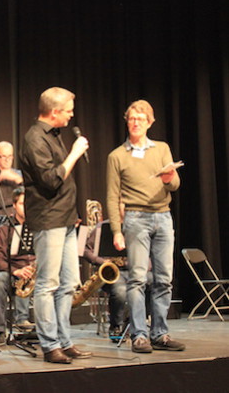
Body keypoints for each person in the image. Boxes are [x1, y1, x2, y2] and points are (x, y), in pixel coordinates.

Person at [107, 100, 185, 353]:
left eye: (141, 118)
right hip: (135, 218)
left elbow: (175, 186)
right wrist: (117, 230)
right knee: (138, 278)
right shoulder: (117, 156)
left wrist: (169, 178)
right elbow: (112, 195)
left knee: (164, 279)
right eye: (132, 118)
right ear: (127, 121)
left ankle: (160, 333)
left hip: (163, 216)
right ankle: (139, 335)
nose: (136, 122)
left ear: (150, 122)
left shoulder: (161, 149)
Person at [20, 87, 90, 364]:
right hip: (48, 219)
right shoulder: (35, 138)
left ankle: (64, 340)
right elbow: (50, 181)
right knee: (48, 284)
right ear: (54, 112)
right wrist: (73, 154)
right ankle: (50, 345)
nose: (72, 115)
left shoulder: (53, 135)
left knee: (68, 283)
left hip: (65, 218)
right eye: (69, 110)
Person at [0, 187, 36, 344]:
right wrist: (17, 271)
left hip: (37, 272)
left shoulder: (38, 226)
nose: (26, 207)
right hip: (14, 272)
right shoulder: (5, 228)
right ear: (14, 205)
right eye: (22, 203)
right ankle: (0, 330)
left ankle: (49, 330)